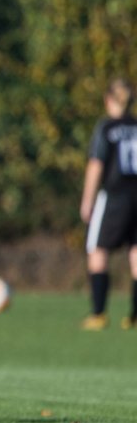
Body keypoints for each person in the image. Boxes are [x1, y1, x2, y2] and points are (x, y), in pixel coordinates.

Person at [80, 79, 137, 330]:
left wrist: (87, 200)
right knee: (136, 253)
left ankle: (98, 313)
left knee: (98, 250)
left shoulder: (106, 128)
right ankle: (134, 316)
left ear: (108, 100)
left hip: (114, 196)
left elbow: (96, 164)